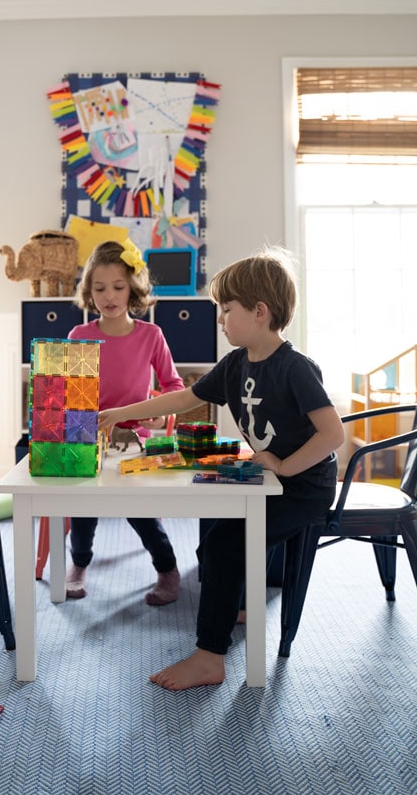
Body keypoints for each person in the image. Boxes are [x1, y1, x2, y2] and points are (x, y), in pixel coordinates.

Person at [98, 246, 345, 690]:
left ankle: (210, 656)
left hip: (303, 486)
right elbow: (184, 398)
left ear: (260, 312)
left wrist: (285, 466)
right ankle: (234, 603)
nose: (219, 319)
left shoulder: (295, 369)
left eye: (226, 309)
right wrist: (120, 411)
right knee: (214, 533)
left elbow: (332, 435)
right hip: (269, 476)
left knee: (226, 545)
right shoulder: (235, 364)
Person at [66, 239, 185, 605]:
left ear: (132, 289)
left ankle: (167, 570)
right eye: (99, 288)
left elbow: (174, 385)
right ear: (89, 292)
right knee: (82, 512)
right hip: (88, 438)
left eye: (118, 287)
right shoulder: (79, 336)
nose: (109, 296)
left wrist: (161, 411)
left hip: (136, 442)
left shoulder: (151, 335)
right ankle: (79, 565)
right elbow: (70, 395)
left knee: (142, 513)